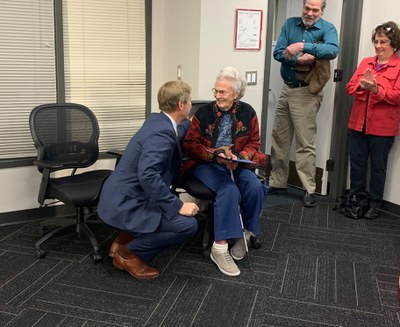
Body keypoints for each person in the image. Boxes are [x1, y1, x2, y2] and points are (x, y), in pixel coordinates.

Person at [97, 80, 199, 280]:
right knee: (187, 225)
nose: (191, 104)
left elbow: (176, 133)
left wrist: (191, 122)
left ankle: (122, 240)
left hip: (118, 193)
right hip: (127, 202)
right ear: (181, 104)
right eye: (190, 102)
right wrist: (178, 205)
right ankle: (128, 254)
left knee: (164, 207)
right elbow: (148, 176)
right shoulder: (161, 134)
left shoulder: (157, 121)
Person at [182, 67, 268, 277]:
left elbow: (254, 142)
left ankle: (244, 234)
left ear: (236, 94)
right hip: (207, 163)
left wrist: (240, 158)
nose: (217, 95)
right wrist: (215, 155)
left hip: (237, 162)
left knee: (255, 186)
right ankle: (219, 248)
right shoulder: (203, 113)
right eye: (216, 91)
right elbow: (190, 144)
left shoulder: (248, 112)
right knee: (229, 190)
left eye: (223, 92)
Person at [268, 0, 339, 207]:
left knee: (305, 143)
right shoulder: (290, 24)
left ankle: (309, 189)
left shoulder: (328, 29)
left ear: (321, 11)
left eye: (315, 10)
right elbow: (278, 52)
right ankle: (278, 181)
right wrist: (297, 60)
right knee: (279, 139)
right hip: (286, 88)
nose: (309, 13)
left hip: (307, 92)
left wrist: (302, 46)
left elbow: (332, 50)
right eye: (306, 8)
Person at [346, 21, 400, 219]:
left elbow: (397, 96)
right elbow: (350, 87)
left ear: (393, 44)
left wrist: (377, 90)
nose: (378, 46)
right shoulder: (365, 62)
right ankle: (356, 201)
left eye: (383, 42)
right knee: (357, 164)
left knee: (378, 167)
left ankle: (375, 204)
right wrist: (362, 86)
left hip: (382, 128)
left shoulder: (398, 67)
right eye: (376, 41)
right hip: (358, 123)